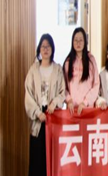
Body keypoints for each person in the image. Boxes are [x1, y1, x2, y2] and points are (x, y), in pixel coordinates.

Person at [25, 34, 65, 176]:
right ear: (39, 49)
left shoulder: (58, 69)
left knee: (51, 159)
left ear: (52, 49)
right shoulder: (33, 70)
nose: (46, 49)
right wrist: (37, 112)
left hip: (52, 116)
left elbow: (62, 92)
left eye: (48, 46)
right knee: (37, 160)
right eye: (43, 46)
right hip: (38, 118)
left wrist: (55, 103)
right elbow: (28, 95)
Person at [64, 27, 100, 114]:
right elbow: (63, 87)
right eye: (76, 40)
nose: (78, 43)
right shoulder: (68, 62)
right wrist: (68, 100)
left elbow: (96, 85)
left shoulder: (91, 60)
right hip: (72, 111)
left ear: (85, 42)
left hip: (87, 109)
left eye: (81, 40)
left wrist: (85, 102)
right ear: (72, 42)